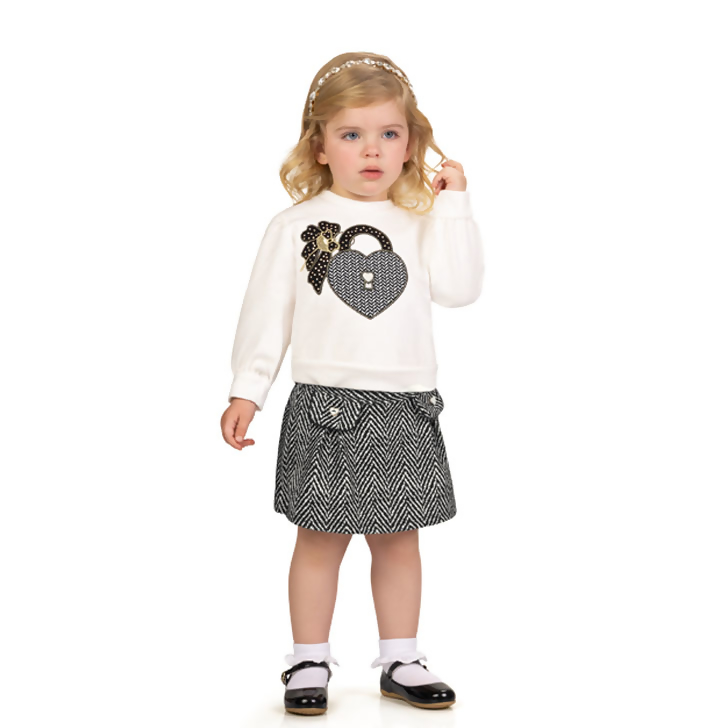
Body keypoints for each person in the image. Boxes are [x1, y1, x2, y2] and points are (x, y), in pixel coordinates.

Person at [220, 51, 484, 715]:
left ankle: (401, 658)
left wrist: (455, 202)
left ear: (411, 145)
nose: (372, 149)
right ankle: (308, 659)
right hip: (326, 407)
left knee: (399, 539)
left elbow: (460, 289)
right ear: (320, 146)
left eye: (389, 133)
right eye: (351, 134)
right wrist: (248, 389)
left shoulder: (424, 225)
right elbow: (266, 316)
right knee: (319, 538)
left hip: (405, 406)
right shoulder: (294, 227)